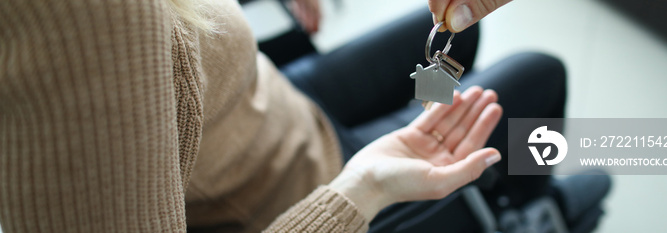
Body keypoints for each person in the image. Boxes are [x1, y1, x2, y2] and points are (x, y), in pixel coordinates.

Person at [0, 0, 569, 233]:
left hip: (270, 92)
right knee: (543, 74)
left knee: (465, 35)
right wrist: (361, 191)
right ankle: (527, 209)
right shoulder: (83, 29)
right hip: (297, 177)